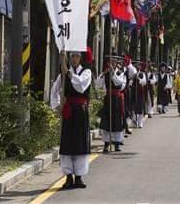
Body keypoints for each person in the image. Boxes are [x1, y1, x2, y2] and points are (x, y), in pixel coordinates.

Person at [50, 51, 92, 189]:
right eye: (72, 56)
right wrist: (56, 106)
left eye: (77, 56)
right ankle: (68, 176)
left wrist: (67, 71)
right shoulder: (62, 75)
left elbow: (80, 86)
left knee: (80, 143)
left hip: (80, 112)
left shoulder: (86, 73)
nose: (74, 59)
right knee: (67, 143)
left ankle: (79, 176)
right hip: (68, 112)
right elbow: (55, 90)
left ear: (80, 58)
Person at [96, 54, 136, 153]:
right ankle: (106, 143)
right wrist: (103, 74)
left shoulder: (120, 73)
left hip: (117, 99)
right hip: (108, 98)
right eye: (111, 62)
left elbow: (119, 84)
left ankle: (117, 143)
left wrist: (113, 73)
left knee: (117, 120)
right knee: (107, 121)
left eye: (114, 62)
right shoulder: (106, 73)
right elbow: (98, 85)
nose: (112, 63)